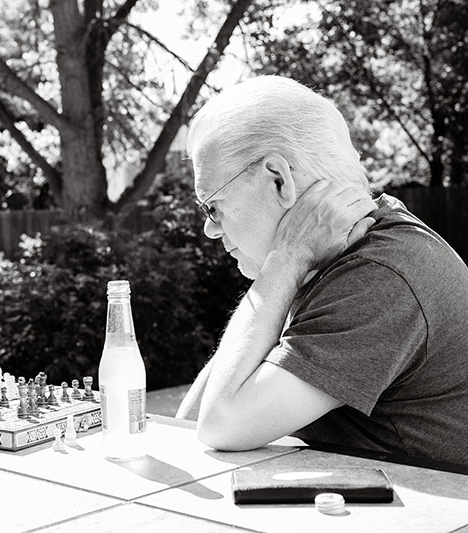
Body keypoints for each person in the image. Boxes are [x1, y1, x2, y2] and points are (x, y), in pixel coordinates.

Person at [176, 76, 468, 467]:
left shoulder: (380, 274)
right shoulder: (334, 261)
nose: (210, 228)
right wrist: (287, 268)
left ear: (279, 179)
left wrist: (287, 258)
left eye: (212, 205)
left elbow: (220, 425)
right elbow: (186, 425)